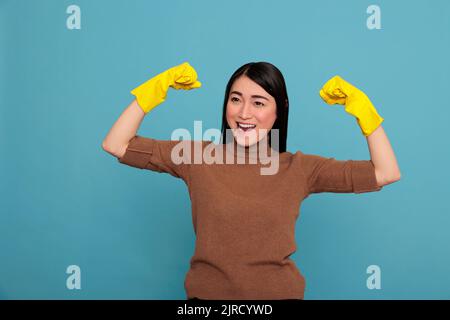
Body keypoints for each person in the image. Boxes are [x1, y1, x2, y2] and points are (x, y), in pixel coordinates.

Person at [102, 61, 401, 300]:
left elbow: (386, 172)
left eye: (259, 102)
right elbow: (117, 144)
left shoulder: (299, 168)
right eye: (236, 99)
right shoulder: (195, 156)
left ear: (279, 110)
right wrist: (151, 92)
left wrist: (366, 114)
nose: (244, 113)